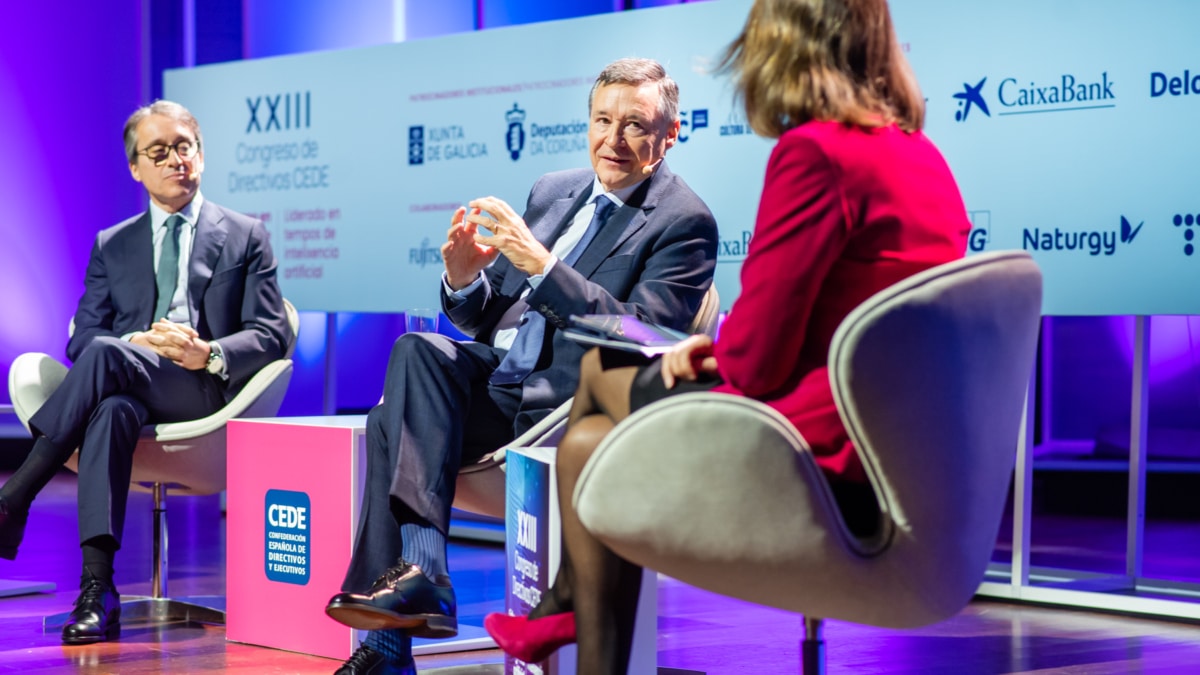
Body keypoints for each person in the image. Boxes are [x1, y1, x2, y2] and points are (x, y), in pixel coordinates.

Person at [482, 0, 973, 672]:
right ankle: (566, 611)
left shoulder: (816, 154)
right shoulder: (923, 157)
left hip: (814, 458)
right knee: (594, 422)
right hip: (909, 456)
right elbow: (834, 325)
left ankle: (567, 604)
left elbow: (762, 360)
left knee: (598, 384)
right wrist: (707, 349)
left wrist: (716, 351)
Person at [322, 58, 718, 675]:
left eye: (635, 126)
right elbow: (484, 319)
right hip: (505, 386)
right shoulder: (552, 191)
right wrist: (460, 277)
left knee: (385, 423)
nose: (613, 140)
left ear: (669, 136)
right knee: (416, 352)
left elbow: (644, 336)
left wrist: (543, 266)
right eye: (602, 120)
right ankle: (422, 573)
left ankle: (389, 648)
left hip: (566, 409)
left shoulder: (684, 222)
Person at [0, 100, 293, 645]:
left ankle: (15, 496)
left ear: (200, 155)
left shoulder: (245, 234)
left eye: (184, 147)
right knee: (110, 404)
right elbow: (82, 338)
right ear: (136, 167)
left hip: (203, 392)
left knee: (109, 358)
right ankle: (98, 589)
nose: (175, 160)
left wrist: (205, 353)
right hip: (127, 386)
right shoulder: (113, 244)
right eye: (158, 152)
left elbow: (273, 332)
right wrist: (136, 343)